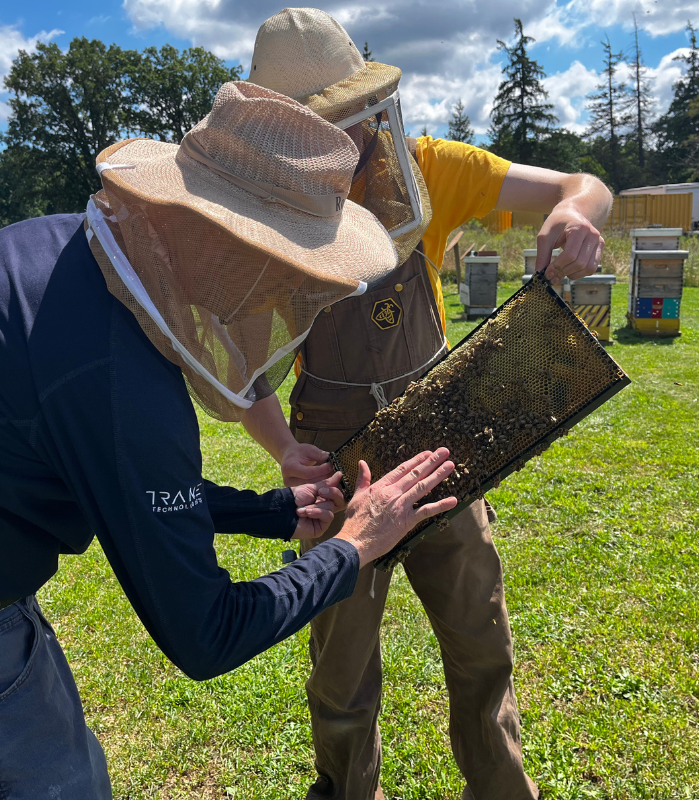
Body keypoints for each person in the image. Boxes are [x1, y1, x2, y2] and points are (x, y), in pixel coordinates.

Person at [0, 81, 459, 799]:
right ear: (230, 244)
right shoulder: (120, 379)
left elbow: (126, 482)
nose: (284, 297)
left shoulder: (56, 255)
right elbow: (208, 633)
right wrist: (355, 548)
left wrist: (276, 514)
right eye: (288, 271)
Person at [244, 10, 615, 800]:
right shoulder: (265, 211)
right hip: (341, 463)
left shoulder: (427, 168)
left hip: (448, 439)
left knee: (481, 646)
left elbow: (580, 185)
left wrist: (577, 212)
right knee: (341, 672)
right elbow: (237, 360)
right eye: (311, 133)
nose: (337, 149)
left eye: (343, 125)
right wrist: (281, 447)